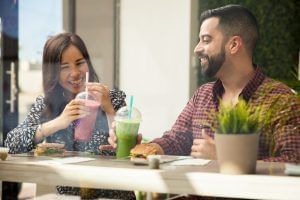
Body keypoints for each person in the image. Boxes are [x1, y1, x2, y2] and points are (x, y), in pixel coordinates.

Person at [105, 4, 299, 163]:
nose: (197, 49)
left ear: (233, 45)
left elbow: (293, 162)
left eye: (206, 40)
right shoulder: (203, 95)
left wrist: (227, 160)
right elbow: (176, 140)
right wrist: (142, 149)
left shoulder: (281, 99)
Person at [5, 33, 135, 199]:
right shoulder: (47, 105)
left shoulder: (113, 98)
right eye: (64, 67)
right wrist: (58, 122)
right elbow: (11, 144)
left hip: (115, 196)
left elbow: (128, 151)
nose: (74, 73)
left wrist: (109, 109)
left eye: (80, 63)